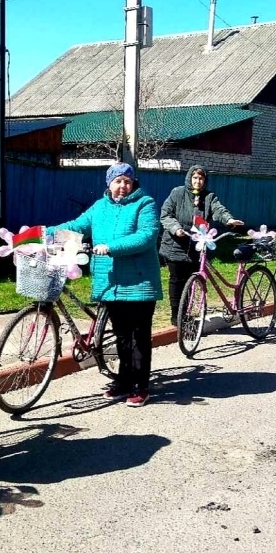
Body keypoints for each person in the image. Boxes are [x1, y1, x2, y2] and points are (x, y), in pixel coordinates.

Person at [47, 163, 162, 407]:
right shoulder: (99, 207)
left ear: (134, 184)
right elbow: (77, 226)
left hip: (139, 281)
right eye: (118, 181)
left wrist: (111, 247)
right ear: (109, 184)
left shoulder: (145, 204)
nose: (122, 186)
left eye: (127, 182)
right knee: (122, 334)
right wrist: (42, 233)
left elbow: (147, 235)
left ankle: (141, 386)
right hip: (110, 282)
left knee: (138, 336)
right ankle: (123, 380)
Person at [159, 165, 244, 326]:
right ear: (189, 178)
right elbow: (166, 214)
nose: (198, 181)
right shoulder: (177, 193)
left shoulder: (209, 197)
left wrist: (229, 220)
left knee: (192, 281)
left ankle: (186, 315)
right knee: (177, 281)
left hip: (197, 246)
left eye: (201, 178)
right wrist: (176, 228)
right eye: (195, 178)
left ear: (205, 180)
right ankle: (177, 317)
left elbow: (218, 210)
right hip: (175, 244)